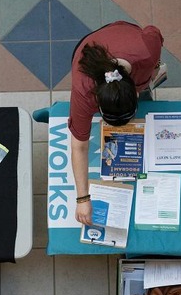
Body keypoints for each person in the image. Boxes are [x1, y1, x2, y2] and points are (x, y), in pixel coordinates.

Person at [70, 21, 164, 225]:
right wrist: (82, 199)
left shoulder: (148, 52)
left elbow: (153, 31)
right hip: (89, 49)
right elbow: (79, 146)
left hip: (127, 34)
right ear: (98, 104)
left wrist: (155, 66)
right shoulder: (84, 90)